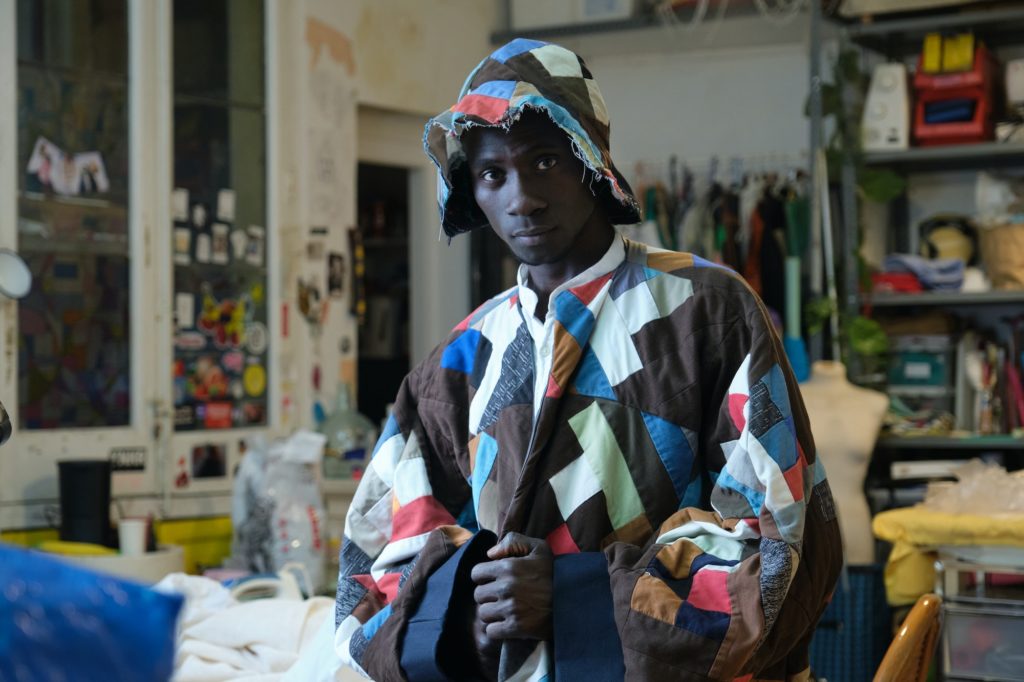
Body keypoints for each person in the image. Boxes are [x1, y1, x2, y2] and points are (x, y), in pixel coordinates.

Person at [334, 39, 842, 681]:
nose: (522, 198)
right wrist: (469, 613)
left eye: (544, 160)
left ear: (591, 162)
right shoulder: (459, 361)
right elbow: (375, 565)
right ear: (473, 192)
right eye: (493, 174)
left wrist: (576, 597)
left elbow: (781, 542)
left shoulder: (706, 311)